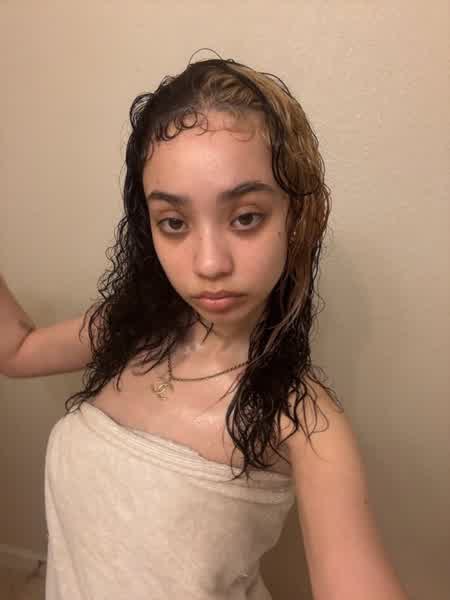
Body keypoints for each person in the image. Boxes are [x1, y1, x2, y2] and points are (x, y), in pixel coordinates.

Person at [0, 51, 409, 599]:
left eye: (246, 218)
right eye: (174, 222)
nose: (210, 263)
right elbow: (17, 350)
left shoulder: (304, 423)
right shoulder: (128, 328)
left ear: (297, 218)